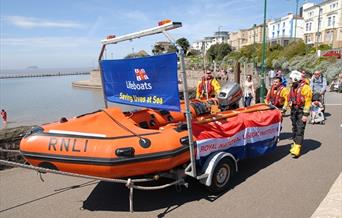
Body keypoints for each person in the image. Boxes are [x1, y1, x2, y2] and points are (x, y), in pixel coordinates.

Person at [284, 70, 312, 158]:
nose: (290, 81)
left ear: (296, 78)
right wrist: (284, 109)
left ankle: (297, 148)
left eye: (291, 79)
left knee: (300, 129)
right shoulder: (292, 87)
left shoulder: (306, 88)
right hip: (294, 111)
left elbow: (308, 102)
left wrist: (305, 115)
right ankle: (295, 143)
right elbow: (288, 99)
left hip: (301, 111)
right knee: (294, 128)